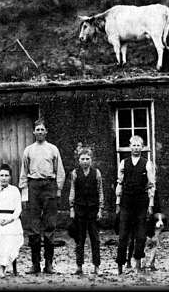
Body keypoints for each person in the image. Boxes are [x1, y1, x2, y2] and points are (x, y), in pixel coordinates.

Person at [18, 118, 66, 274]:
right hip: (34, 187)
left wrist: (58, 190)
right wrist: (24, 194)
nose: (39, 132)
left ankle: (49, 264)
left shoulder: (53, 149)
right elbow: (24, 173)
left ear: (46, 132)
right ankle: (35, 264)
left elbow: (60, 171)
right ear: (33, 132)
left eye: (42, 130)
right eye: (37, 129)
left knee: (50, 226)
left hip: (49, 186)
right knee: (33, 227)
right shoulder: (28, 150)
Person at [115, 135, 156, 275]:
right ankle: (120, 265)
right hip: (126, 201)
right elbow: (119, 183)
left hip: (141, 201)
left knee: (140, 235)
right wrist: (118, 202)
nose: (136, 148)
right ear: (130, 146)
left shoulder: (147, 163)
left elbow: (151, 185)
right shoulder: (123, 163)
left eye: (139, 145)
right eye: (134, 145)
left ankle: (138, 263)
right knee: (123, 234)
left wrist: (150, 203)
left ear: (142, 147)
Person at [68, 143, 104, 275]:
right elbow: (72, 190)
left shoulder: (96, 173)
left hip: (93, 210)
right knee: (80, 238)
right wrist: (71, 207)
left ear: (91, 160)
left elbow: (100, 190)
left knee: (95, 239)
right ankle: (79, 266)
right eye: (82, 159)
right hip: (79, 209)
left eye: (87, 159)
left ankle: (97, 266)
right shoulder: (75, 173)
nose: (85, 161)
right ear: (79, 160)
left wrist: (100, 208)